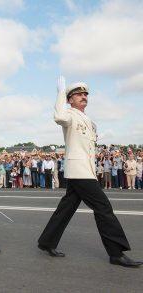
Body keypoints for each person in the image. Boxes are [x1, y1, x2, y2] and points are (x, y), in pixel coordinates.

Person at [38, 77, 141, 267]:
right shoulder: (69, 115)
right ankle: (116, 253)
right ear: (70, 99)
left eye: (85, 94)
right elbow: (58, 117)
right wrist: (60, 92)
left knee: (66, 209)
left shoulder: (90, 121)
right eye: (78, 94)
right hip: (79, 171)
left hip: (87, 170)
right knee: (104, 208)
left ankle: (46, 242)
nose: (84, 96)